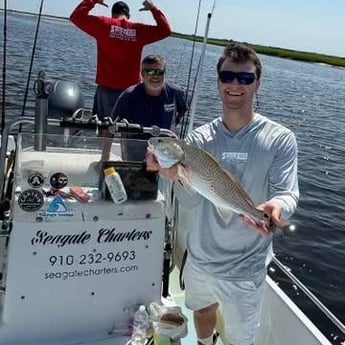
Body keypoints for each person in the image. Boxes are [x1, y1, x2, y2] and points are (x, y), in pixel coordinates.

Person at [146, 42, 299, 345]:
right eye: (227, 77)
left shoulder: (280, 139)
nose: (235, 85)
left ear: (258, 83)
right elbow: (191, 200)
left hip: (245, 266)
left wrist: (275, 207)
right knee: (202, 310)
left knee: (242, 337)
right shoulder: (199, 138)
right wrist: (173, 175)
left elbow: (287, 194)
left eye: (245, 78)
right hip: (200, 256)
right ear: (218, 81)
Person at [70, 0, 172, 137]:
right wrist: (153, 9)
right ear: (128, 15)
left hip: (106, 89)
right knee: (129, 130)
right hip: (132, 92)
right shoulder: (137, 30)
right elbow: (166, 30)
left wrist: (91, 1)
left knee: (104, 128)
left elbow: (76, 17)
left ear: (113, 14)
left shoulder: (104, 24)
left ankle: (104, 156)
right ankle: (127, 155)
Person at [110, 54, 188, 160]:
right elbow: (110, 126)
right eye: (150, 71)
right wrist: (104, 156)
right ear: (142, 73)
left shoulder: (176, 92)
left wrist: (174, 126)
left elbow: (182, 110)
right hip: (135, 150)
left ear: (165, 73)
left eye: (159, 72)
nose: (155, 76)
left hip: (164, 151)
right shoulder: (128, 95)